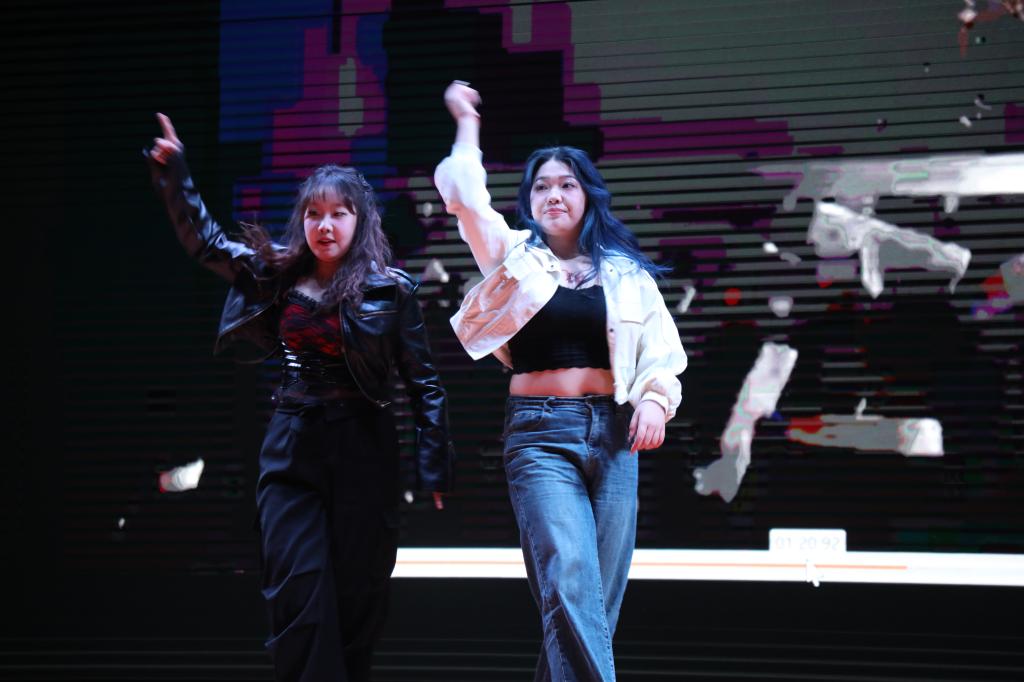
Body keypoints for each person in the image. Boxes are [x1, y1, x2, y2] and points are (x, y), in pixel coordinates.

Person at [145, 113, 455, 682]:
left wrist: (435, 466)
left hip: (364, 449)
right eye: (314, 213)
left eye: (339, 213)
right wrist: (176, 173)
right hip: (293, 446)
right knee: (298, 591)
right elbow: (205, 241)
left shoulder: (392, 290)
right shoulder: (276, 274)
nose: (325, 225)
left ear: (361, 220)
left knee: (358, 598)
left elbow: (423, 382)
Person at [434, 82, 687, 681]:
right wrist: (467, 121)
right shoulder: (513, 258)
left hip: (616, 436)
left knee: (594, 602)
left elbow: (661, 354)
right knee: (570, 580)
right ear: (529, 200)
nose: (553, 194)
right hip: (540, 433)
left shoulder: (626, 274)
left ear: (588, 194)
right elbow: (464, 194)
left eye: (566, 184)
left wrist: (656, 401)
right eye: (541, 186)